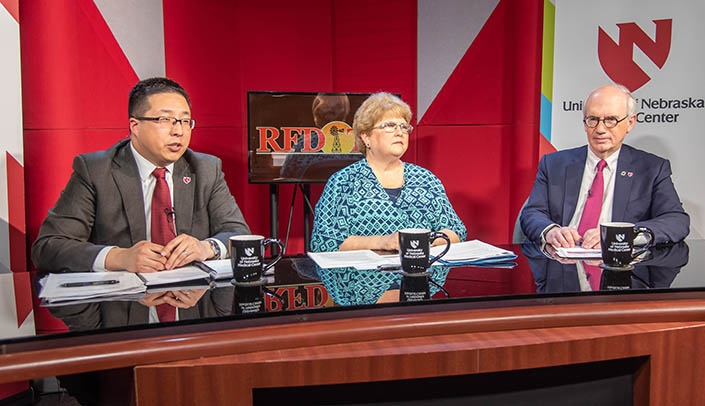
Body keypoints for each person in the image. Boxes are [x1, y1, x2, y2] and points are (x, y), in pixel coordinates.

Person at [32, 77, 250, 319]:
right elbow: (49, 247)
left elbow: (237, 234)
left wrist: (205, 247)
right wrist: (119, 257)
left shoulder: (205, 168)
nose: (178, 130)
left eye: (185, 121)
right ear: (135, 126)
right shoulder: (96, 170)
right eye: (165, 119)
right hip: (120, 313)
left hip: (192, 311)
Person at [520, 84, 689, 249]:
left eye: (611, 120)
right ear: (585, 124)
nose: (600, 129)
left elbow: (676, 220)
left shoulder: (652, 169)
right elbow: (532, 213)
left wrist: (624, 236)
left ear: (630, 123)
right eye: (593, 120)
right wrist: (551, 231)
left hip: (623, 267)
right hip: (563, 263)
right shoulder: (554, 164)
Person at [310, 92, 466, 252]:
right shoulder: (343, 182)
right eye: (390, 125)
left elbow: (456, 231)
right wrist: (382, 242)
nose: (400, 132)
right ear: (366, 137)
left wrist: (423, 242)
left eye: (404, 126)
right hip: (362, 276)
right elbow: (323, 241)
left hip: (421, 274)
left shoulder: (426, 180)